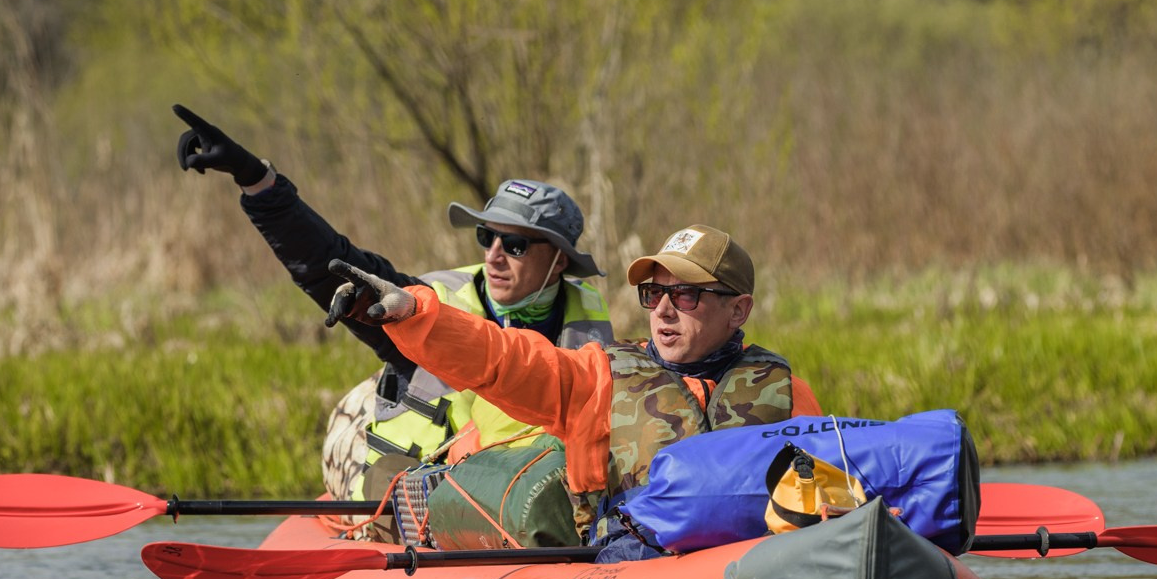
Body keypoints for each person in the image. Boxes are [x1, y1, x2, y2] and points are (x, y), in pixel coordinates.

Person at [171, 105, 613, 494]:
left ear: (559, 263)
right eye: (486, 236)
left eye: (515, 245)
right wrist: (255, 180)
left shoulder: (590, 327)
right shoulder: (423, 304)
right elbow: (327, 261)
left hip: (523, 489)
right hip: (411, 483)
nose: (494, 254)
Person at [322, 220, 819, 533]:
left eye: (686, 295)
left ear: (739, 310)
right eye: (654, 293)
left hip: (740, 566)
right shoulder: (597, 376)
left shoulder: (784, 390)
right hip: (627, 566)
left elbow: (823, 488)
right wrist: (412, 311)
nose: (664, 310)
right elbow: (502, 358)